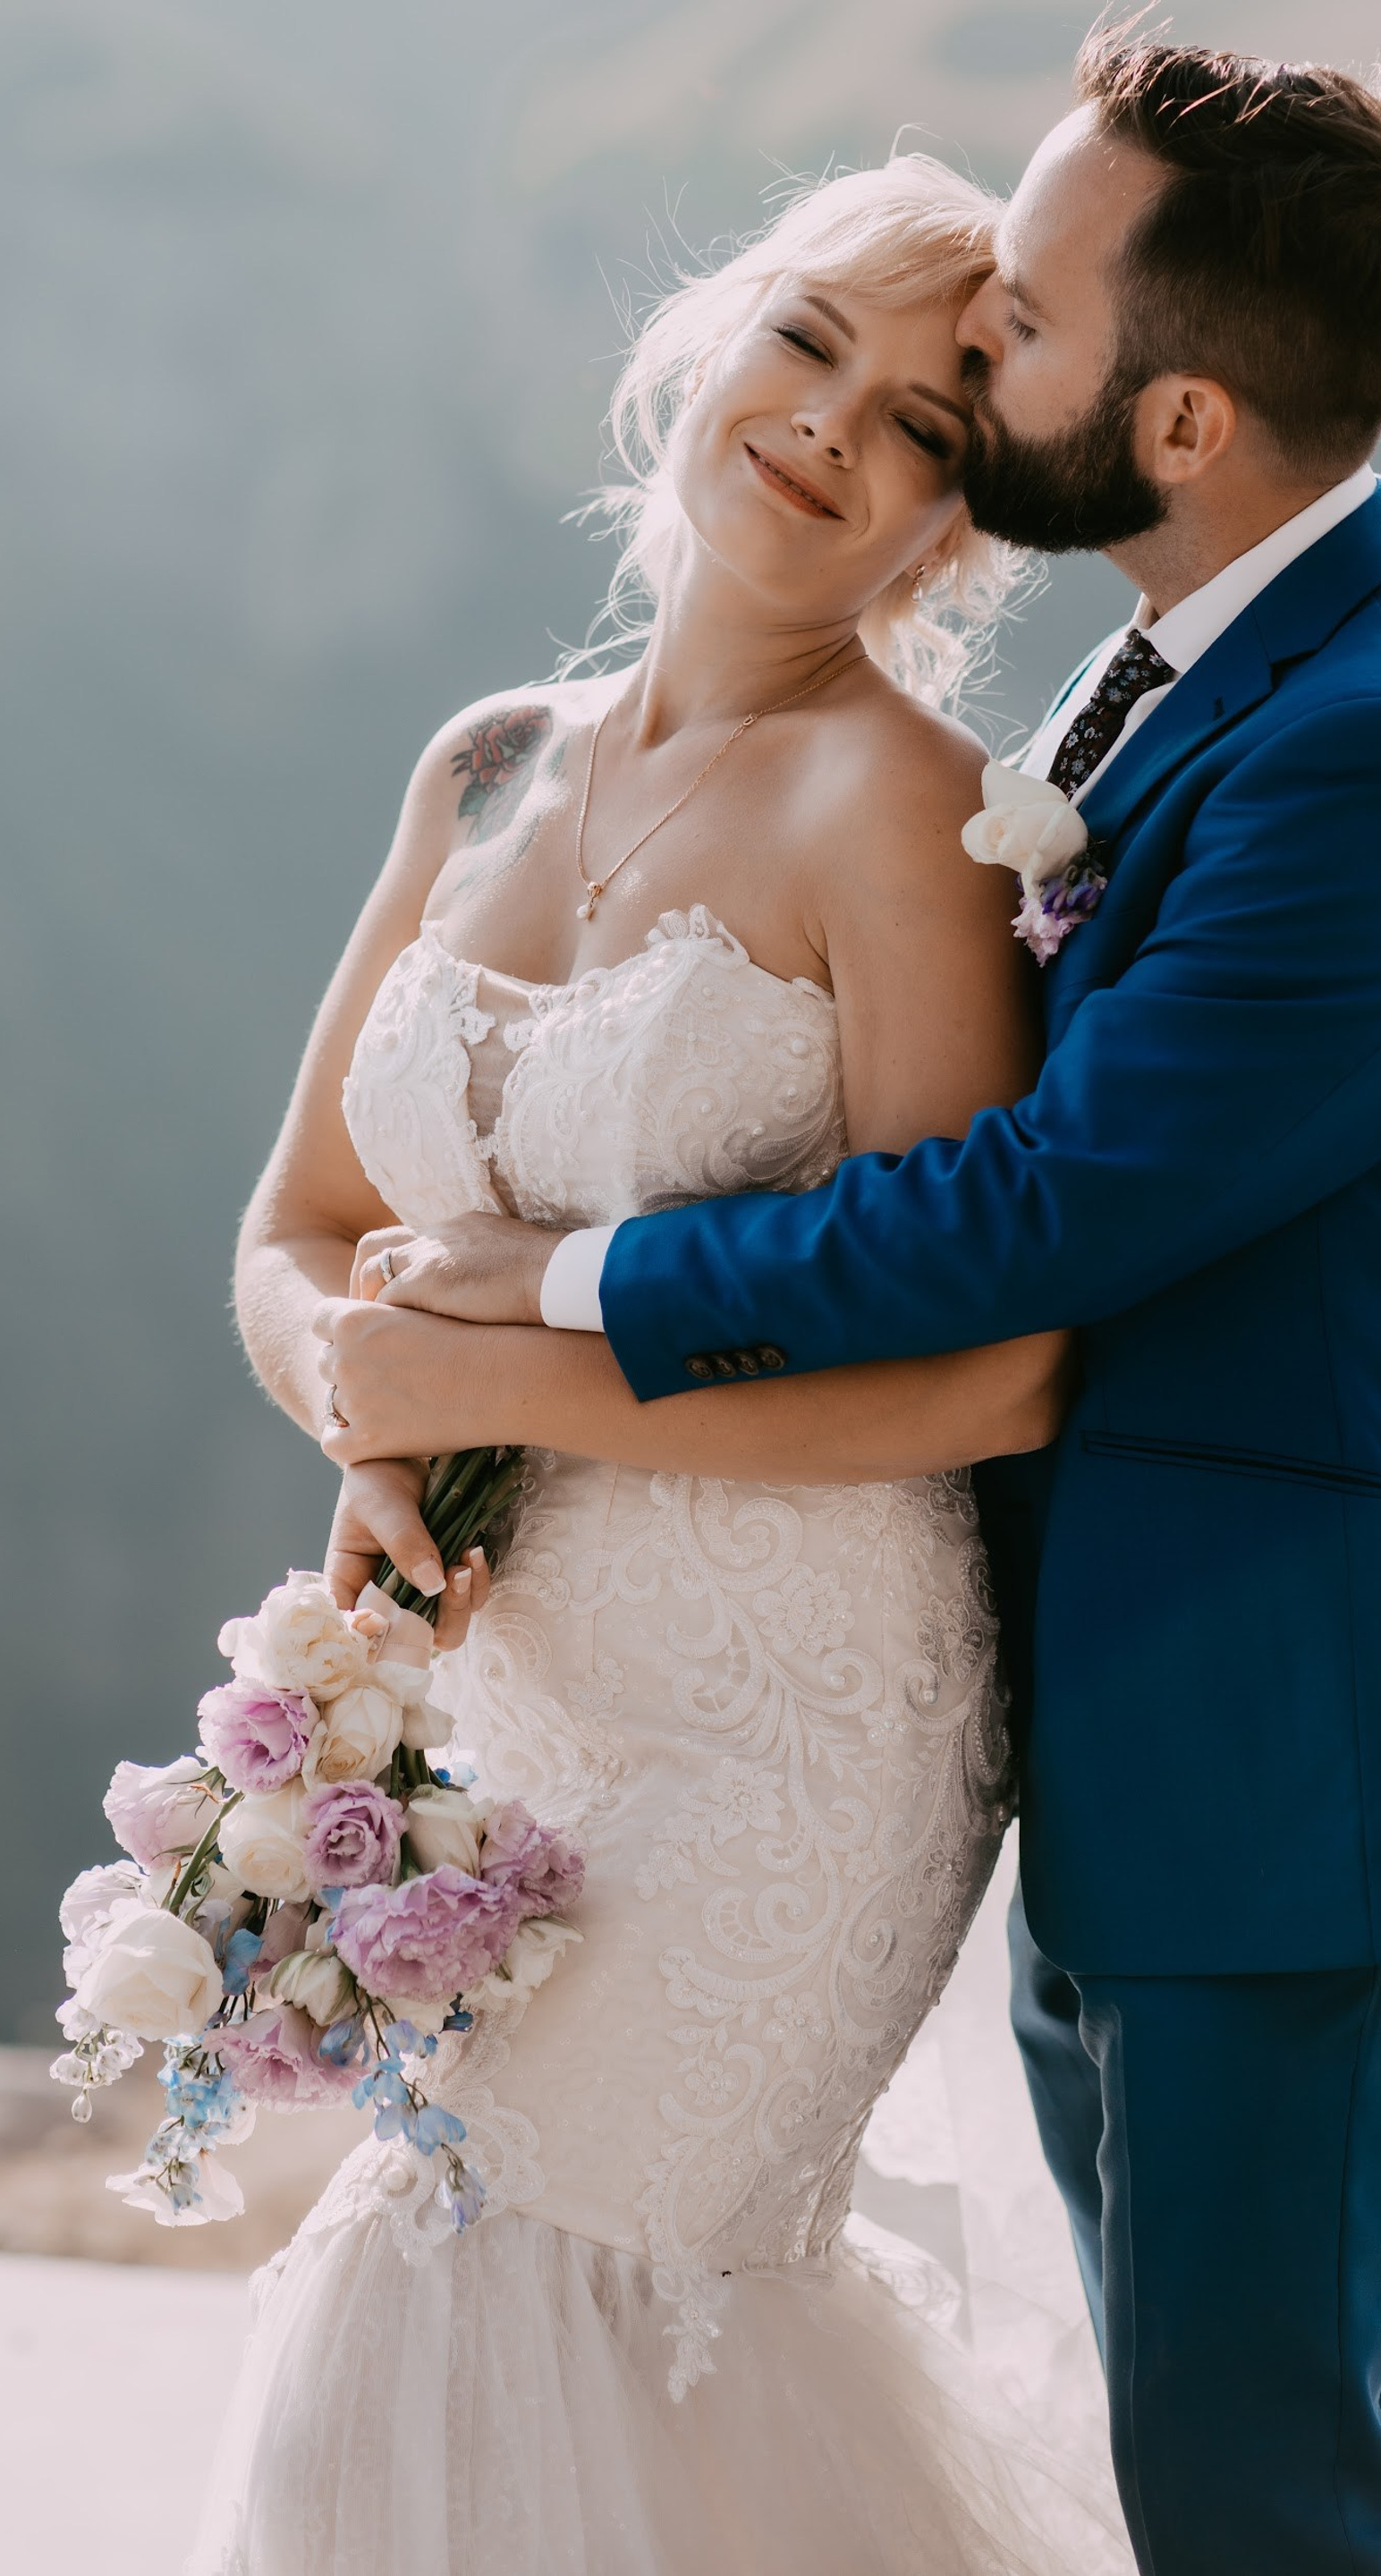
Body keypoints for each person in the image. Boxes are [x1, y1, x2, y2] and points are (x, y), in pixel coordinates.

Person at [324, 33, 1381, 2576]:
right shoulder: (1193, 675)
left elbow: (1044, 1208)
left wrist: (549, 1282)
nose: (971, 347)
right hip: (1145, 1736)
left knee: (1265, 2497)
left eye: (1017, 323)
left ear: (1183, 419)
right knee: (1209, 2476)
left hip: (1308, 1757)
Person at [207, 153, 1131, 2576]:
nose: (832, 427)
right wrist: (355, 1397)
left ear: (962, 525)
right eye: (810, 339)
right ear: (711, 333)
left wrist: (483, 1392)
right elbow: (294, 1229)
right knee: (467, 2363)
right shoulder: (487, 762)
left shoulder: (905, 822)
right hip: (526, 1713)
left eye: (926, 424)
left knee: (503, 2309)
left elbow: (995, 1373)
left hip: (798, 1724)